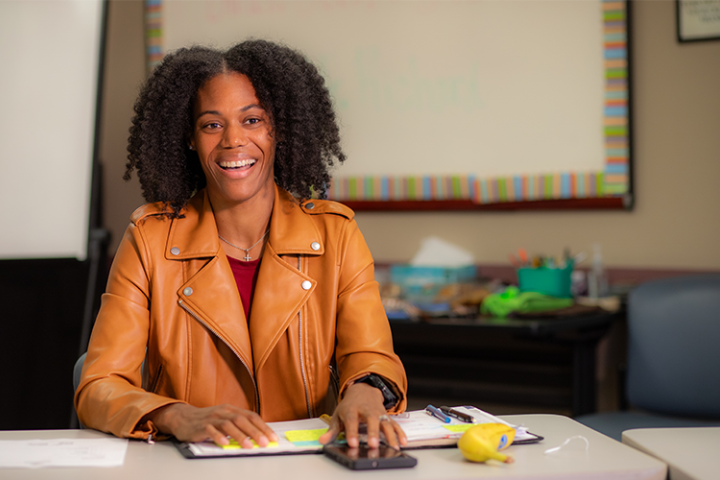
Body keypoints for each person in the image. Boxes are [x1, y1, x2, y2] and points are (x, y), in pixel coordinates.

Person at [75, 40, 407, 450]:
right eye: (212, 125)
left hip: (306, 465)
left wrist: (365, 391)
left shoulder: (336, 233)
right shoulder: (149, 239)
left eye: (252, 120)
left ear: (278, 130)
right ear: (190, 139)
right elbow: (98, 387)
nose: (233, 140)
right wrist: (176, 415)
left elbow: (371, 356)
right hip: (191, 468)